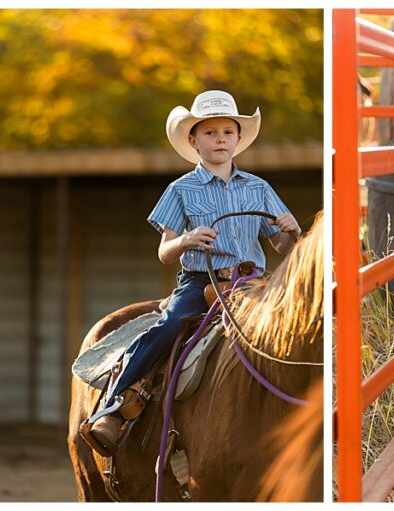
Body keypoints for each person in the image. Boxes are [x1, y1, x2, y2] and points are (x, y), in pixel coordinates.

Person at [88, 90, 302, 453]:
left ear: (238, 138)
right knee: (170, 325)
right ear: (193, 140)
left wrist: (291, 231)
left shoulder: (259, 187)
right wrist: (186, 239)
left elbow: (281, 246)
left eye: (227, 132)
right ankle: (117, 401)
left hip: (253, 281)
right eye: (210, 132)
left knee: (294, 327)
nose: (220, 139)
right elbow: (164, 253)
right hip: (201, 282)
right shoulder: (180, 189)